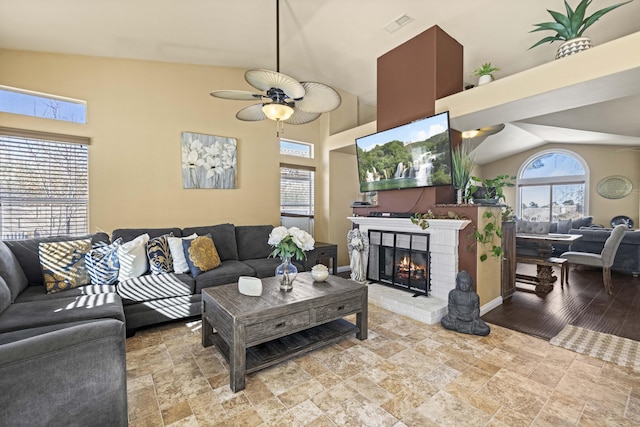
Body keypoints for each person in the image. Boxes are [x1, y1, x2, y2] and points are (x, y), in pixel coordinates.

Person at [441, 270, 490, 336]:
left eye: (467, 283)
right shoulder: (453, 293)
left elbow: (476, 310)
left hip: (470, 320)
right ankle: (467, 329)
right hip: (457, 319)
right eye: (462, 283)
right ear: (458, 282)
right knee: (444, 321)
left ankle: (465, 328)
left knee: (485, 329)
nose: (464, 285)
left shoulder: (474, 296)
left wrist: (470, 317)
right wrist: (458, 315)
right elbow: (451, 306)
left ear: (470, 284)